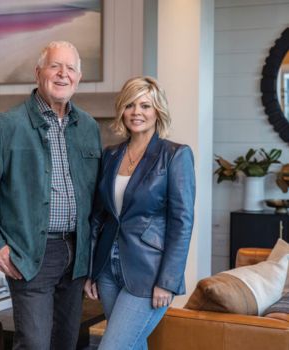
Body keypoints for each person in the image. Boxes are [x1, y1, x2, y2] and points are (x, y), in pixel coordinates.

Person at [0, 41, 102, 350]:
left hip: (77, 253)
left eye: (70, 68)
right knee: (35, 344)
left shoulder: (89, 127)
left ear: (79, 78)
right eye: (55, 66)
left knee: (65, 342)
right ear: (39, 73)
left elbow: (97, 198)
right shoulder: (7, 126)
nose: (63, 74)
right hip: (33, 253)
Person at [84, 76, 195, 350]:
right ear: (122, 110)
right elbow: (100, 216)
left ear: (158, 110)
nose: (137, 112)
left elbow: (182, 222)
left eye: (145, 105)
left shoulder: (175, 155)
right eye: (130, 105)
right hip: (108, 270)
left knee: (111, 346)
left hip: (149, 272)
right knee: (131, 346)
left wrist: (167, 281)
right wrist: (91, 271)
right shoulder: (110, 155)